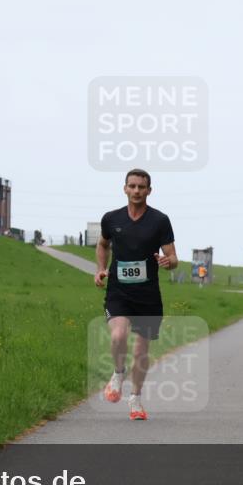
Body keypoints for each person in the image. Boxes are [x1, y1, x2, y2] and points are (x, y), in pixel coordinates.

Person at [94, 169, 178, 421]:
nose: (137, 191)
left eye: (142, 187)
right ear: (125, 189)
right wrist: (100, 269)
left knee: (141, 352)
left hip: (148, 296)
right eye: (132, 186)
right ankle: (118, 374)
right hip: (119, 292)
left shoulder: (160, 221)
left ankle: (136, 399)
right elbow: (102, 244)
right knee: (118, 335)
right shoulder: (111, 218)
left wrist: (168, 262)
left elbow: (174, 258)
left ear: (149, 191)